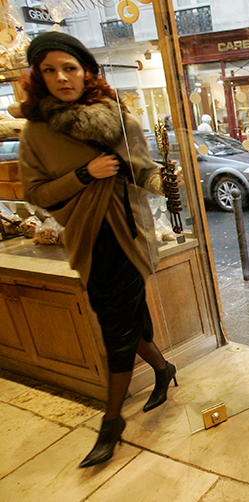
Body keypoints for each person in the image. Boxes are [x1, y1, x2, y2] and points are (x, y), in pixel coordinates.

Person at [18, 31, 179, 468]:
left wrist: (163, 181)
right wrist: (85, 175)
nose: (61, 77)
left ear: (86, 71)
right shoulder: (35, 133)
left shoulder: (118, 119)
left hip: (126, 235)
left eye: (69, 67)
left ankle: (111, 425)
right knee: (128, 321)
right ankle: (164, 370)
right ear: (39, 76)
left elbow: (140, 171)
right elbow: (37, 194)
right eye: (49, 70)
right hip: (86, 241)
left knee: (116, 333)